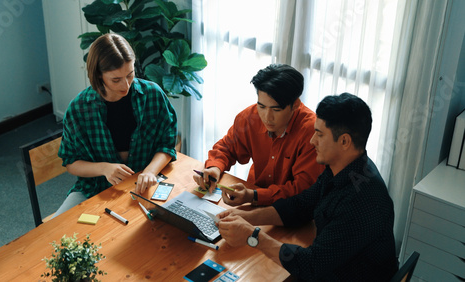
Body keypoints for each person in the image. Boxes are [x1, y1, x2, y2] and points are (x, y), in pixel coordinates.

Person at [217, 93, 398, 281]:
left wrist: (252, 236)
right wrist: (246, 217)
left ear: (344, 141)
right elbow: (302, 205)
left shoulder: (360, 201)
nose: (312, 141)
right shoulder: (341, 169)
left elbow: (311, 266)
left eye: (319, 134)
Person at [55, 33, 177, 216]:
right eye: (116, 80)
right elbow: (71, 162)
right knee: (56, 233)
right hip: (95, 188)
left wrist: (150, 171)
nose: (126, 85)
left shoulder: (153, 95)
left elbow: (167, 145)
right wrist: (104, 168)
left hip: (143, 185)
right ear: (98, 75)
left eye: (130, 74)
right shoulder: (79, 109)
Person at [193, 64, 323, 206]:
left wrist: (255, 195)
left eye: (276, 109)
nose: (267, 117)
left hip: (291, 209)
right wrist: (214, 167)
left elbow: (302, 188)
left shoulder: (312, 133)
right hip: (253, 199)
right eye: (261, 106)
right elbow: (226, 147)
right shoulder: (249, 117)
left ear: (296, 104)